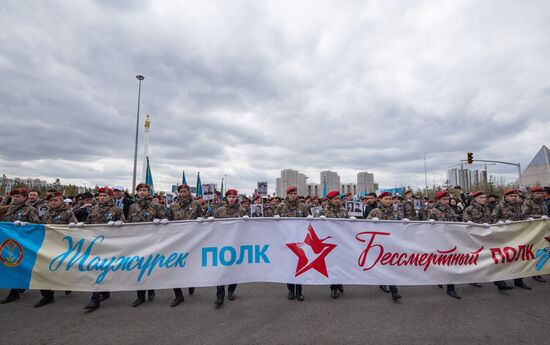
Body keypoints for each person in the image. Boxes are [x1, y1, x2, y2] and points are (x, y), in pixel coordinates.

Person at [83, 187, 125, 311]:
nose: (102, 198)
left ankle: (105, 292)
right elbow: (88, 224)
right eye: (100, 196)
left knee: (108, 269)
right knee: (96, 270)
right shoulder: (93, 209)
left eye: (105, 196)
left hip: (111, 244)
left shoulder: (117, 209)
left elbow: (124, 224)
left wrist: (119, 224)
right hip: (96, 244)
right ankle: (94, 299)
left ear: (111, 197)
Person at [35, 192, 78, 308]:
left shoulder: (68, 213)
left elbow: (76, 227)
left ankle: (69, 284)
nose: (52, 203)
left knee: (63, 269)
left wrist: (73, 226)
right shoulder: (46, 214)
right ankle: (47, 296)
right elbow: (39, 226)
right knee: (42, 270)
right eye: (50, 201)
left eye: (55, 200)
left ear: (61, 201)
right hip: (47, 246)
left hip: (63, 247)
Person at [127, 183, 166, 307]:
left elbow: (164, 221)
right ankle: (140, 296)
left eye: (144, 190)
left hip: (152, 241)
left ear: (148, 192)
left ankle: (151, 288)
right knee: (139, 268)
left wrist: (159, 221)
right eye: (140, 190)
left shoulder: (156, 206)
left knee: (150, 267)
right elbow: (129, 222)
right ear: (137, 192)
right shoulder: (132, 206)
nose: (142, 192)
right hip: (138, 241)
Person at [0, 189, 40, 304]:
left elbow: (37, 225)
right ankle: (17, 287)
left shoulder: (30, 209)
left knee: (19, 265)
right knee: (10, 265)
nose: (15, 198)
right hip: (8, 242)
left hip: (23, 242)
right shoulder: (8, 208)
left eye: (18, 196)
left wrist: (26, 225)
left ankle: (14, 292)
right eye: (14, 196)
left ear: (25, 197)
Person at [167, 184, 202, 307]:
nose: (183, 193)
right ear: (178, 193)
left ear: (189, 192)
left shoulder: (196, 205)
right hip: (177, 241)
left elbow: (201, 220)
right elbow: (169, 221)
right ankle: (178, 295)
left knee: (190, 265)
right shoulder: (173, 206)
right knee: (175, 267)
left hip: (192, 240)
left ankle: (191, 283)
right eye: (181, 191)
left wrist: (200, 220)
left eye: (185, 191)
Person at [491, 189, 531, 290]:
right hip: (503, 237)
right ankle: (500, 283)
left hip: (516, 236)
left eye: (515, 196)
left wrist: (528, 220)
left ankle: (518, 281)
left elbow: (521, 217)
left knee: (518, 258)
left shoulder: (518, 206)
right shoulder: (499, 206)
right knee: (502, 259)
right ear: (506, 197)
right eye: (512, 196)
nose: (514, 198)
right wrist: (503, 221)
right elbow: (493, 219)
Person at [213, 189, 247, 306]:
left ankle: (231, 290)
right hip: (222, 243)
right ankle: (220, 295)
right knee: (221, 270)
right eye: (229, 196)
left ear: (236, 198)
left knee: (234, 269)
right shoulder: (220, 211)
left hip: (237, 243)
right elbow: (214, 226)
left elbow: (248, 226)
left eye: (233, 196)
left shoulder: (242, 210)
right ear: (226, 198)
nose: (231, 198)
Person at [276, 186, 309, 301]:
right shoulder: (280, 207)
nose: (294, 195)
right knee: (288, 267)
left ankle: (299, 291)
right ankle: (290, 290)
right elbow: (275, 223)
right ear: (287, 195)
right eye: (291, 193)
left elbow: (308, 222)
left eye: (295, 193)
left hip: (299, 241)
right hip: (286, 241)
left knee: (299, 266)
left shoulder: (303, 206)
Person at [368, 191, 402, 301]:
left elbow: (399, 225)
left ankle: (389, 285)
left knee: (390, 265)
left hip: (392, 242)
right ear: (380, 200)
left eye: (390, 199)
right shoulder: (374, 212)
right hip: (380, 243)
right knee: (384, 265)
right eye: (386, 199)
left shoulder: (395, 211)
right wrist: (371, 222)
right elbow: (365, 225)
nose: (388, 201)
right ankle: (393, 289)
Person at [428, 190, 461, 299]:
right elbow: (429, 226)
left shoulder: (450, 209)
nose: (446, 201)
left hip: (450, 239)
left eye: (448, 199)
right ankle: (439, 279)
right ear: (438, 200)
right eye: (444, 199)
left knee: (450, 262)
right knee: (440, 262)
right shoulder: (434, 210)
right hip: (439, 240)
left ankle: (451, 288)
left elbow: (454, 222)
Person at [320, 190, 348, 298]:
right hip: (329, 242)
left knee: (341, 265)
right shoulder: (324, 211)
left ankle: (339, 282)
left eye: (338, 199)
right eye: (335, 199)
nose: (338, 201)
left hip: (341, 242)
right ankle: (333, 288)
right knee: (332, 266)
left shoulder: (343, 210)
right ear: (330, 199)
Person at [521, 186, 547, 283]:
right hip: (531, 232)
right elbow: (525, 215)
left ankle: (537, 272)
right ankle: (524, 274)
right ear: (532, 194)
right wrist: (540, 217)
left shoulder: (543, 203)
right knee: (530, 252)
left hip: (541, 231)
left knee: (541, 251)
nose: (540, 195)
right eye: (537, 193)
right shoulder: (527, 202)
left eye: (541, 193)